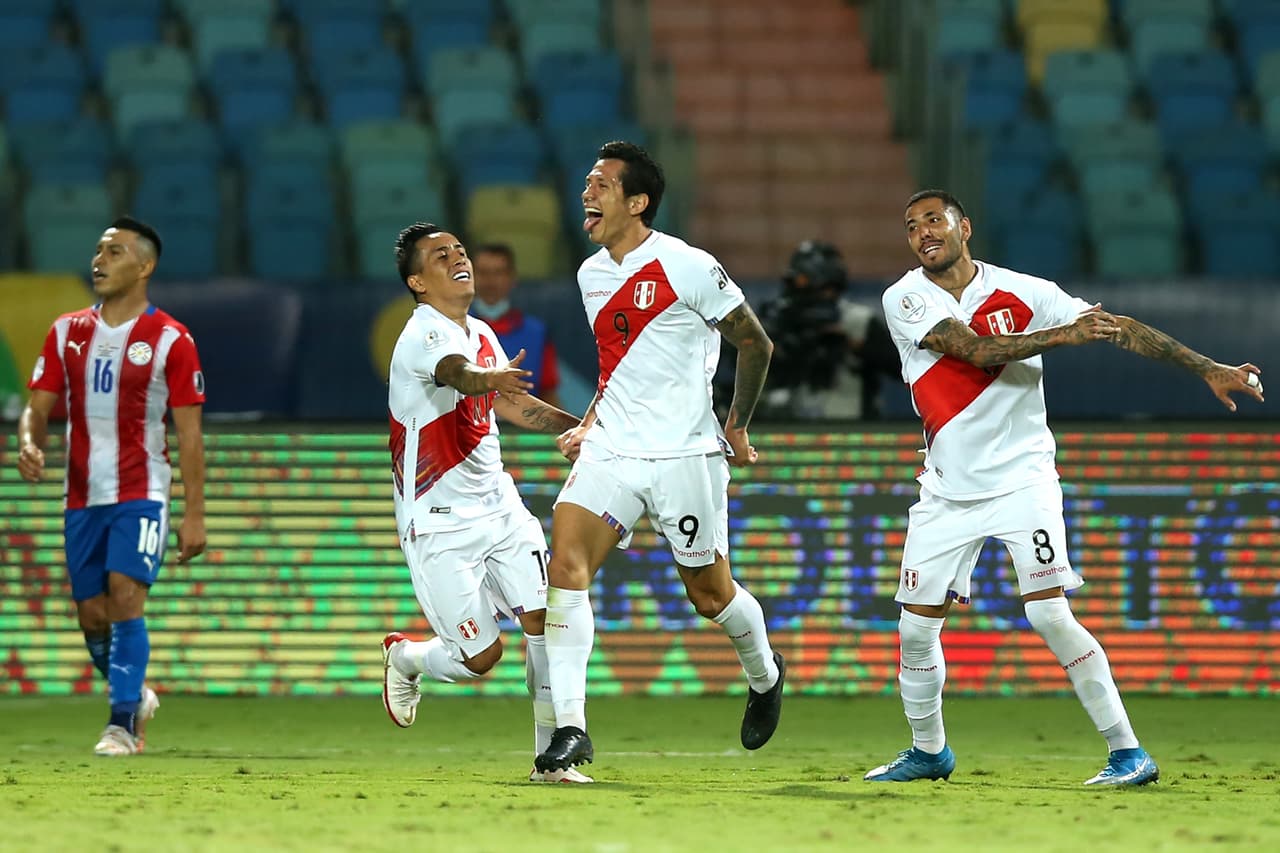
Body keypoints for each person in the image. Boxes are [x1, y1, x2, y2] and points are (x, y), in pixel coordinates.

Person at [868, 189, 1265, 786]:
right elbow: (974, 351)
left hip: (1024, 479)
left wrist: (1206, 367)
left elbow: (1115, 328)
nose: (922, 231)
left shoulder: (1027, 291)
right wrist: (1058, 337)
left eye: (933, 219)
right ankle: (929, 752)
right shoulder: (904, 296)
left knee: (1050, 614)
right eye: (910, 225)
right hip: (947, 489)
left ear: (963, 227)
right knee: (915, 629)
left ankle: (1128, 752)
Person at [533, 141, 785, 775]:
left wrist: (737, 425)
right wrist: (590, 422)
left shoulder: (686, 264)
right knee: (564, 564)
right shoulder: (592, 275)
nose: (586, 193)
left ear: (637, 201)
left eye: (601, 184)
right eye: (586, 182)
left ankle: (764, 674)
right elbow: (619, 367)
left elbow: (756, 343)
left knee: (709, 594)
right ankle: (570, 730)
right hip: (614, 450)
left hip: (685, 455)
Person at [381, 222, 591, 783]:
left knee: (546, 623)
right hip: (437, 520)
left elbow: (514, 405)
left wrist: (588, 433)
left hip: (500, 508)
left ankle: (552, 759)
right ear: (418, 282)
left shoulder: (481, 332)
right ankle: (407, 657)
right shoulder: (423, 335)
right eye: (439, 256)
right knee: (480, 659)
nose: (457, 259)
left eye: (459, 250)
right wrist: (488, 377)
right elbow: (460, 376)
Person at [16, 216, 208, 756]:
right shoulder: (66, 330)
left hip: (142, 489)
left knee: (125, 597)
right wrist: (29, 442)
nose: (99, 261)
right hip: (81, 494)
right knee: (92, 614)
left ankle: (121, 723)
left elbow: (189, 434)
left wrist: (194, 513)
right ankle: (135, 690)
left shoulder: (171, 339)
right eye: (100, 250)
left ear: (145, 267)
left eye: (116, 252)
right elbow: (38, 408)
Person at [756, 239, 901, 420]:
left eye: (827, 288)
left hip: (853, 430)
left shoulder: (859, 321)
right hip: (790, 428)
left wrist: (855, 347)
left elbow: (902, 368)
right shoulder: (781, 320)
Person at [470, 242, 565, 411]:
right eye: (483, 273)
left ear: (512, 278)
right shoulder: (454, 329)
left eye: (498, 273)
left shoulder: (536, 333)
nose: (490, 281)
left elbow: (548, 393)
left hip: (522, 430)